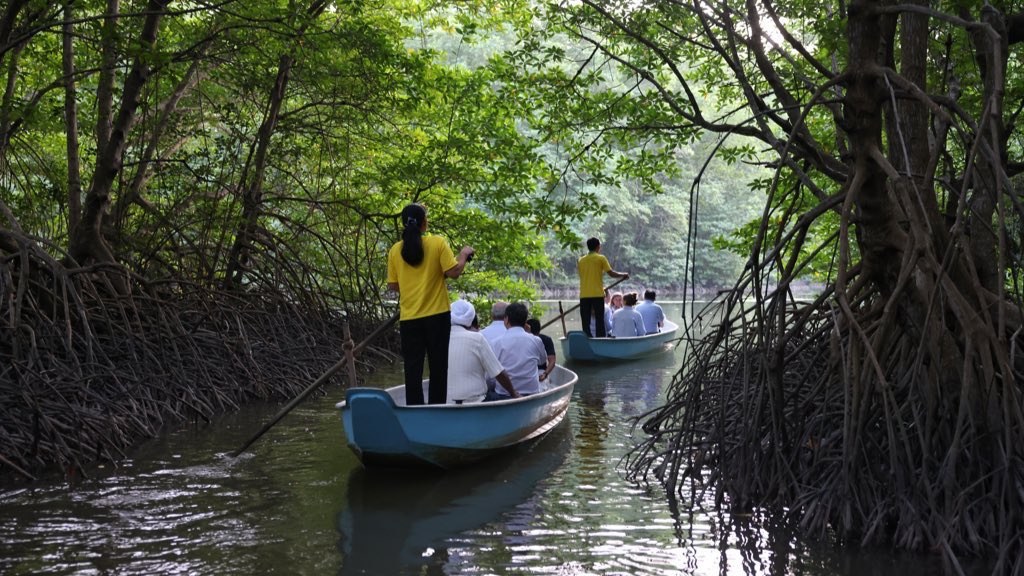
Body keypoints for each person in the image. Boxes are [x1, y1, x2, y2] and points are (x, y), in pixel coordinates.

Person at [386, 203, 473, 405]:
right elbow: (454, 272)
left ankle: (415, 410)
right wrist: (463, 255)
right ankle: (437, 409)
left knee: (412, 369)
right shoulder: (437, 243)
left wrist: (410, 286)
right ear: (424, 223)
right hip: (437, 316)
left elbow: (393, 285)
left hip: (410, 319)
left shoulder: (395, 250)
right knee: (438, 367)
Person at [447, 299, 518, 403]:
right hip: (476, 400)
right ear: (470, 318)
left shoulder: (439, 339)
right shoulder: (477, 338)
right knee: (502, 395)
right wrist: (513, 393)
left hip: (447, 401)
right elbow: (499, 373)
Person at [490, 303, 549, 399]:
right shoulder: (536, 340)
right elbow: (542, 361)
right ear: (525, 321)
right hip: (531, 393)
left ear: (506, 319)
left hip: (503, 395)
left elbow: (492, 372)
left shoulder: (496, 343)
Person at [577, 237, 628, 338]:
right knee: (599, 320)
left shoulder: (580, 260)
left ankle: (587, 339)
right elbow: (611, 273)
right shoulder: (601, 258)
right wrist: (624, 275)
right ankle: (600, 340)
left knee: (585, 321)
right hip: (597, 294)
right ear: (598, 247)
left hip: (584, 295)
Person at [526, 318, 556, 382]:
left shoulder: (546, 339)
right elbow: (552, 361)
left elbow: (552, 361)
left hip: (540, 371)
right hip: (528, 372)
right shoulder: (523, 339)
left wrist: (545, 374)